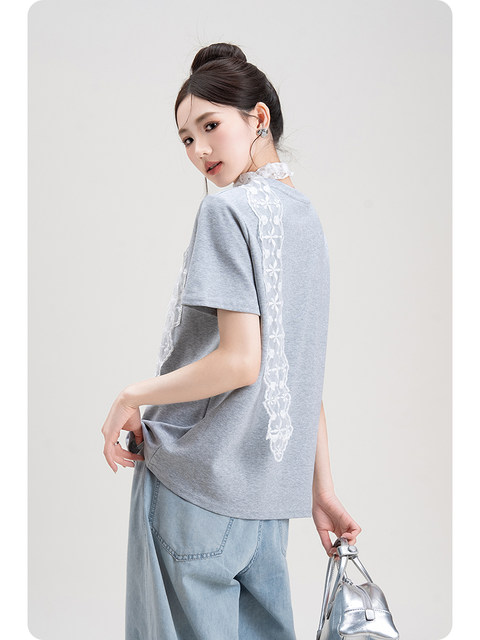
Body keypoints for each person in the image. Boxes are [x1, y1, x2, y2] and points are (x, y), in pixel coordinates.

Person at [100, 42, 361, 640]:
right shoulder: (306, 218)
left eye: (210, 126)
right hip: (268, 508)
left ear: (258, 118)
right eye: (186, 139)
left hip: (196, 490)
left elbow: (243, 363)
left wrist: (131, 394)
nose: (199, 150)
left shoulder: (226, 212)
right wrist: (320, 489)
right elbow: (298, 370)